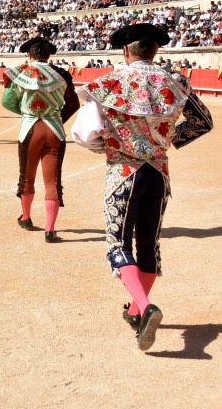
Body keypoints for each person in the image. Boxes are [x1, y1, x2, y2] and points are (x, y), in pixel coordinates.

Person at [71, 24, 213, 351]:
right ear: (155, 51)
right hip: (158, 173)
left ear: (126, 51)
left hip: (123, 172)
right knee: (148, 245)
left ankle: (145, 307)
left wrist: (110, 147)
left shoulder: (108, 83)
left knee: (118, 246)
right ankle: (136, 312)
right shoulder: (176, 82)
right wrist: (168, 140)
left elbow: (85, 134)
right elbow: (202, 122)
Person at [1, 37, 79, 242]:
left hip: (30, 129)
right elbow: (73, 104)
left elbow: (7, 101)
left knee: (27, 177)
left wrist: (26, 112)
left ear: (29, 55)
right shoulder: (62, 74)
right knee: (52, 181)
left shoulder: (20, 73)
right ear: (49, 55)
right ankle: (50, 230)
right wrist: (56, 118)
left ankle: (26, 218)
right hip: (54, 130)